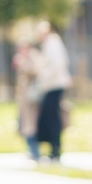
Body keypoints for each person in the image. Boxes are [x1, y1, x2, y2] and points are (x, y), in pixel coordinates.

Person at [33, 21, 71, 163]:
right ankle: (53, 148)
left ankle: (56, 149)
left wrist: (43, 76)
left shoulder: (53, 43)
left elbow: (56, 65)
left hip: (54, 85)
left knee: (52, 117)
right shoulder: (50, 44)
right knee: (49, 117)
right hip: (50, 85)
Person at [12, 42, 42, 161]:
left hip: (31, 98)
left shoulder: (33, 57)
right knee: (24, 125)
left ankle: (35, 151)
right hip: (24, 98)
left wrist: (23, 63)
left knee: (30, 125)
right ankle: (31, 150)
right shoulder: (23, 57)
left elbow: (35, 71)